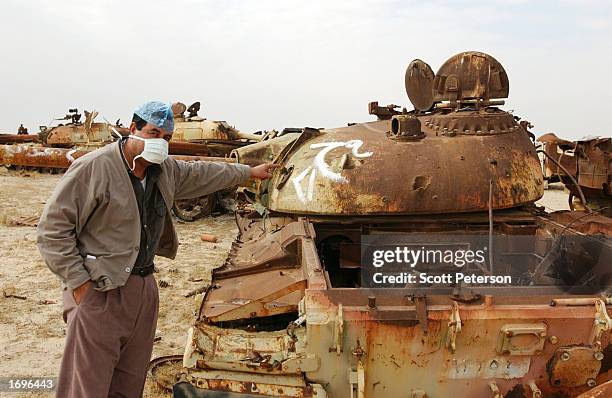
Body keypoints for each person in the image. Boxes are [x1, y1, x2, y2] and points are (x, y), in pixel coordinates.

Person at [36, 101, 277, 398]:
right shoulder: (94, 168)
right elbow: (52, 230)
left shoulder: (165, 171)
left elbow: (204, 174)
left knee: (129, 380)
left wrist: (249, 172)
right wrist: (80, 283)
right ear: (132, 129)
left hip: (143, 287)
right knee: (87, 384)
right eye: (153, 133)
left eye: (166, 137)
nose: (160, 143)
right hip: (101, 287)